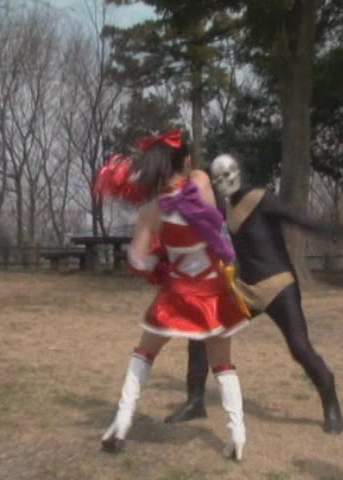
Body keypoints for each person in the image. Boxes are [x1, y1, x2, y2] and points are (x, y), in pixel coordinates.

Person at [162, 153, 343, 435]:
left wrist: (333, 231)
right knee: (201, 330)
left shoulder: (262, 198)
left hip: (280, 287)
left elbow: (298, 219)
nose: (223, 182)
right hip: (247, 290)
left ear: (239, 172)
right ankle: (195, 401)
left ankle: (330, 400)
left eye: (227, 174)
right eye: (217, 178)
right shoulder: (228, 208)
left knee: (300, 347)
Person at [95, 130, 250, 460]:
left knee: (143, 353)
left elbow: (138, 261)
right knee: (223, 364)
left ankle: (121, 421)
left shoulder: (151, 211)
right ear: (187, 161)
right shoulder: (201, 182)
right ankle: (237, 435)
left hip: (176, 294)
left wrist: (158, 260)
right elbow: (214, 222)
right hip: (213, 291)